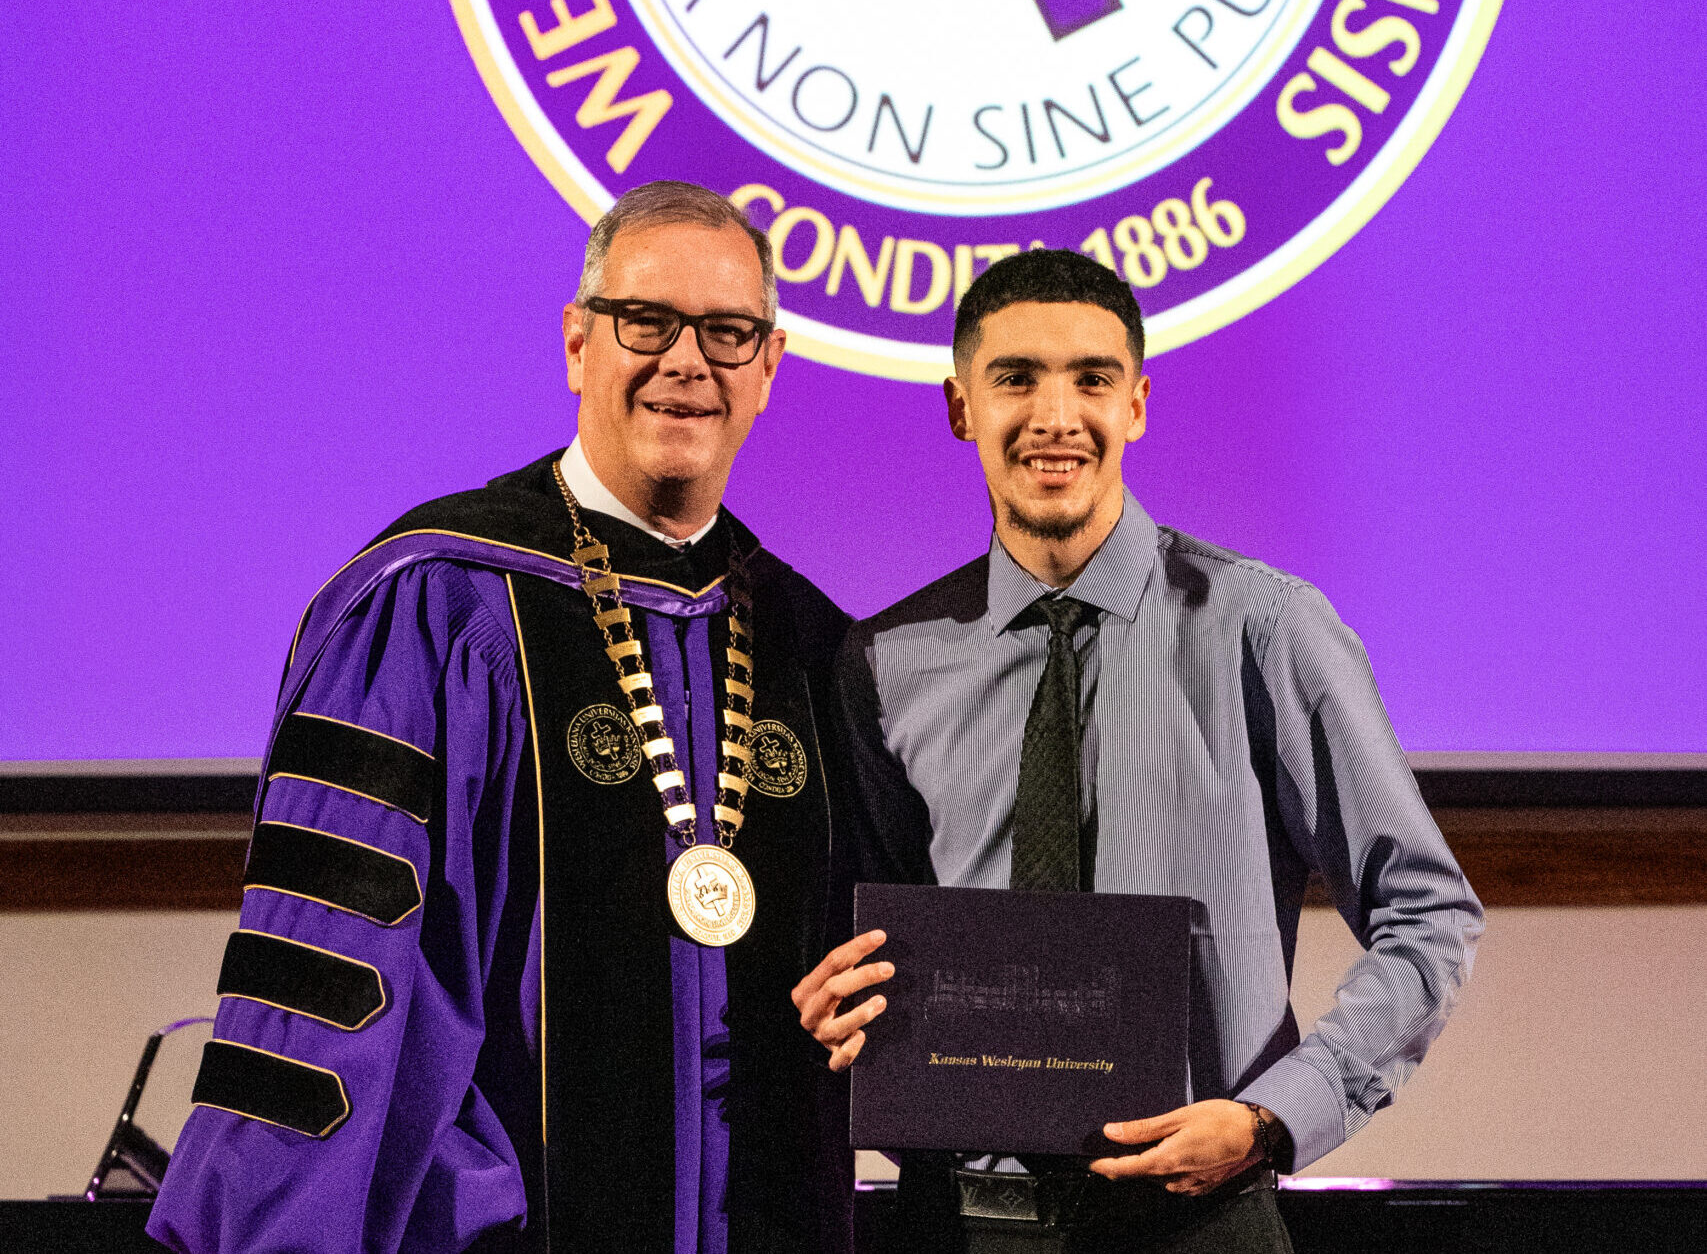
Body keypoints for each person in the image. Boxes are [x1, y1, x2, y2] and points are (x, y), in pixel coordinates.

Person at [151, 182, 856, 1254]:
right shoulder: (437, 605)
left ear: (768, 365)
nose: (686, 361)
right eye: (646, 322)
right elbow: (332, 983)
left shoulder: (811, 642)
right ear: (578, 343)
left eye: (726, 331)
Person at [795, 249, 1483, 1253]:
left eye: (1092, 379)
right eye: (1016, 378)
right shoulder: (886, 662)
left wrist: (1276, 1115)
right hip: (958, 1226)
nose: (1055, 416)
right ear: (960, 407)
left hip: (1197, 1223)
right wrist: (838, 1002)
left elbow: (1427, 913)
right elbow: (874, 935)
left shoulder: (1265, 629)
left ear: (1137, 404)